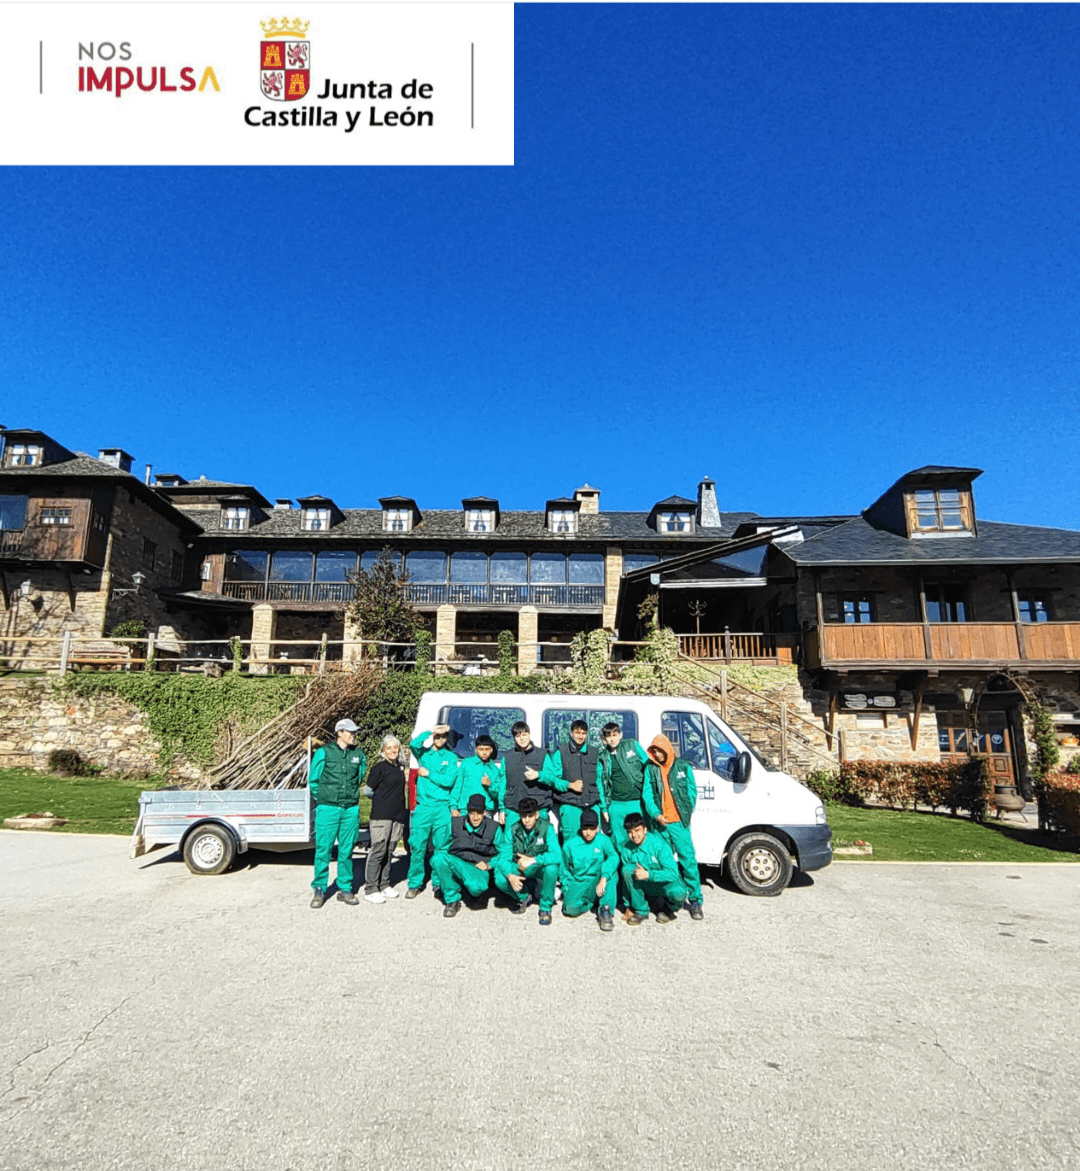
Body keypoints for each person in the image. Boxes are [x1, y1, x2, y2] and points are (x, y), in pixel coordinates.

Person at [642, 733, 704, 920]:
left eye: (660, 751)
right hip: (660, 824)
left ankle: (696, 901)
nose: (657, 755)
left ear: (667, 749)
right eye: (654, 751)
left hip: (679, 824)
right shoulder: (650, 769)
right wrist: (656, 814)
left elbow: (692, 792)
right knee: (662, 862)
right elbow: (647, 795)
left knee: (688, 860)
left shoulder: (683, 766)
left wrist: (685, 812)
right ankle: (664, 899)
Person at [308, 718, 368, 909]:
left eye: (354, 732)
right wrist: (324, 798)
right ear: (339, 733)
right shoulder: (324, 752)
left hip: (350, 809)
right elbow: (314, 780)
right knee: (323, 849)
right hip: (328, 808)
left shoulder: (358, 754)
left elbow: (359, 776)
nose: (353, 735)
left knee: (346, 850)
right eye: (350, 732)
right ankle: (319, 888)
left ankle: (345, 887)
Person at [406, 723, 459, 898]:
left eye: (443, 736)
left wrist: (429, 774)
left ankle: (438, 882)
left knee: (441, 847)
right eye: (437, 736)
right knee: (417, 846)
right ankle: (414, 883)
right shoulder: (424, 754)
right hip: (424, 807)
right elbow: (413, 744)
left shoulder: (451, 758)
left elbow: (449, 781)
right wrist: (430, 731)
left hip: (442, 807)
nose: (440, 739)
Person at [493, 797, 560, 925]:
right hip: (519, 867)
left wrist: (534, 859)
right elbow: (503, 858)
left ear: (537, 815)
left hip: (537, 866)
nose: (527, 820)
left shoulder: (547, 828)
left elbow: (557, 855)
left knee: (552, 868)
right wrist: (510, 876)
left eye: (530, 816)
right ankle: (523, 896)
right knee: (499, 876)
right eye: (524, 816)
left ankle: (545, 908)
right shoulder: (512, 830)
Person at [434, 793, 499, 918]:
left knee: (476, 888)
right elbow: (442, 848)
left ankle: (473, 892)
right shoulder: (455, 824)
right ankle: (452, 900)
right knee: (438, 858)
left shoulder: (493, 828)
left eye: (479, 813)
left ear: (485, 813)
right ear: (467, 813)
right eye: (472, 813)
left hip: (478, 867)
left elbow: (504, 853)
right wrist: (437, 881)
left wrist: (489, 864)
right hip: (458, 863)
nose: (475, 818)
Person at [619, 812, 687, 926]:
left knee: (679, 893)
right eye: (630, 832)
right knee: (627, 869)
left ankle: (668, 909)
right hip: (647, 887)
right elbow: (626, 881)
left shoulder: (659, 845)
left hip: (664, 884)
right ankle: (641, 910)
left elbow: (673, 873)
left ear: (645, 829)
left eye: (637, 830)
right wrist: (628, 906)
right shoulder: (627, 849)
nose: (634, 835)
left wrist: (649, 874)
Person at [362, 734, 407, 904]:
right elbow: (367, 791)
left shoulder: (400, 767)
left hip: (397, 816)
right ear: (383, 750)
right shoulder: (379, 768)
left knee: (389, 851)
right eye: (389, 748)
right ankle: (371, 888)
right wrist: (382, 800)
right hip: (381, 816)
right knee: (378, 851)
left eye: (395, 747)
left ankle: (384, 884)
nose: (393, 750)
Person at [559, 807, 619, 931]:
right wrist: (566, 889)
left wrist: (604, 877)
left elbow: (614, 857)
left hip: (598, 878)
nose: (588, 832)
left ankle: (605, 910)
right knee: (569, 910)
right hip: (580, 881)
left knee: (612, 874)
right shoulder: (570, 845)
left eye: (592, 829)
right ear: (580, 828)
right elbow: (564, 869)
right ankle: (592, 902)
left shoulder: (604, 840)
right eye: (585, 828)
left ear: (597, 828)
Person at [542, 718, 602, 843]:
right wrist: (569, 785)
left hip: (592, 804)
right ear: (571, 733)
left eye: (583, 733)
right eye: (577, 732)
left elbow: (600, 781)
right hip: (570, 805)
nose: (580, 736)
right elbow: (553, 779)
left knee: (595, 842)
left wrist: (603, 807)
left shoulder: (594, 753)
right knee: (571, 841)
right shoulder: (561, 752)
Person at [494, 721, 552, 831]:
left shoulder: (543, 755)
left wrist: (539, 775)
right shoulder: (507, 757)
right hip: (513, 810)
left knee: (540, 841)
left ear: (529, 734)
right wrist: (501, 809)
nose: (522, 738)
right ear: (514, 738)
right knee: (510, 840)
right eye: (518, 736)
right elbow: (502, 785)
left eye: (524, 735)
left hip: (538, 809)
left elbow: (552, 779)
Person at [451, 734, 503, 816]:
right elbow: (457, 786)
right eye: (481, 749)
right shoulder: (466, 763)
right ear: (476, 750)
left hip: (486, 812)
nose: (484, 752)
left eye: (487, 749)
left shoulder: (495, 770)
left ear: (491, 750)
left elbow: (498, 795)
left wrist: (490, 785)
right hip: (465, 811)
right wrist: (453, 807)